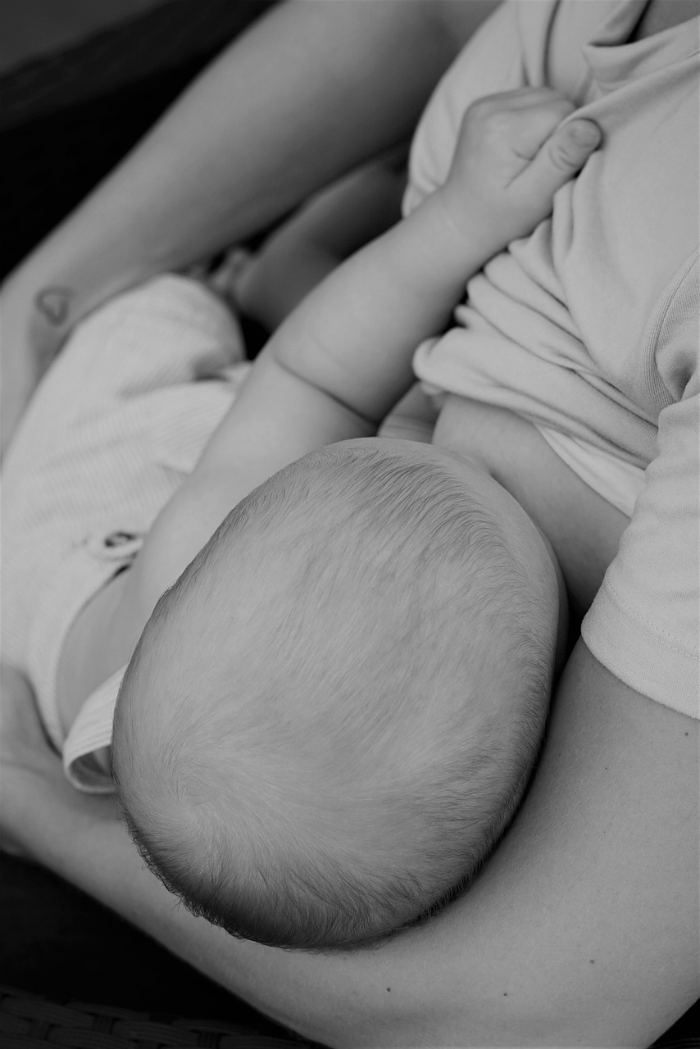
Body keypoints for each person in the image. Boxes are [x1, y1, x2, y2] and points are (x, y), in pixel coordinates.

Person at [1, 0, 698, 1044]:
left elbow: (312, 376)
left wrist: (456, 221)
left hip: (86, 514)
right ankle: (285, 268)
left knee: (153, 330)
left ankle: (269, 274)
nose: (442, 434)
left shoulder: (201, 553)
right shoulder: (337, 783)